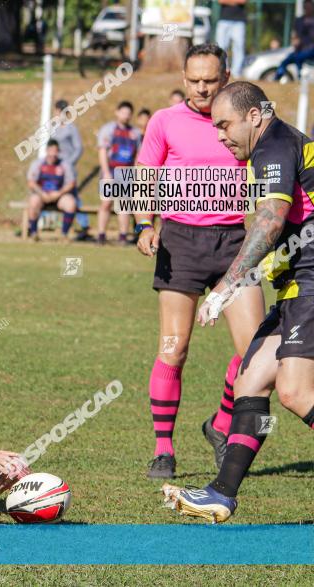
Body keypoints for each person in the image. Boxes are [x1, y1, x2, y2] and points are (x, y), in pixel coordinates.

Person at [164, 82, 314, 522]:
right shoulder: (276, 147)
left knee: (295, 390)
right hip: (295, 284)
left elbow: (268, 223)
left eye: (225, 124)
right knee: (250, 383)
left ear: (255, 116)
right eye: (214, 127)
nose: (220, 135)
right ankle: (221, 493)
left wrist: (226, 286)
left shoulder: (273, 146)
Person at [134, 44, 264, 480]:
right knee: (174, 348)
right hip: (181, 241)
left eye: (211, 79)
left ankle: (220, 425)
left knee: (255, 352)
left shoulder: (247, 119)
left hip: (235, 243)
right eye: (194, 80)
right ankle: (164, 451)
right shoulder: (164, 121)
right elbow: (143, 175)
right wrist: (143, 226)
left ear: (227, 76)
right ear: (184, 76)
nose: (202, 88)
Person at [96, 101, 141, 245]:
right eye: (123, 112)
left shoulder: (135, 133)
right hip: (110, 171)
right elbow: (102, 151)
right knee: (106, 203)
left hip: (126, 172)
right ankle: (101, 235)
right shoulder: (108, 129)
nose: (126, 116)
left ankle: (122, 236)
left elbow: (138, 155)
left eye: (129, 113)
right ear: (117, 112)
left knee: (124, 205)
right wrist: (106, 172)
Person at [51, 99, 89, 241]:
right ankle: (40, 223)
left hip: (67, 170)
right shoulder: (52, 128)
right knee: (50, 193)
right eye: (59, 110)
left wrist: (69, 164)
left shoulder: (71, 128)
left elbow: (78, 148)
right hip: (54, 169)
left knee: (73, 196)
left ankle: (84, 225)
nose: (61, 113)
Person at [26, 139, 77, 242]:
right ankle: (33, 233)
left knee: (71, 203)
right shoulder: (38, 164)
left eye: (56, 151)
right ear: (47, 150)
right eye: (51, 150)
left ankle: (64, 235)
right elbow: (31, 182)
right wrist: (42, 193)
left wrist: (59, 193)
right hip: (42, 195)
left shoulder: (64, 165)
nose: (53, 154)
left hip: (58, 196)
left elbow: (71, 183)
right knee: (33, 201)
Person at [275, 0, 314, 81]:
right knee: (284, 62)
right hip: (300, 49)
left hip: (311, 49)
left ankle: (300, 78)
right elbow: (295, 34)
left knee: (298, 57)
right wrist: (294, 41)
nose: (307, 9)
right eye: (306, 7)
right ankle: (276, 78)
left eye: (309, 7)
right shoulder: (299, 20)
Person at [215, 0, 246, 75]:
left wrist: (229, 1)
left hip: (239, 21)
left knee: (239, 47)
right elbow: (221, 1)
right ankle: (223, 70)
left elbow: (243, 1)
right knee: (221, 47)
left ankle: (236, 72)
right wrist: (235, 2)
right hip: (224, 20)